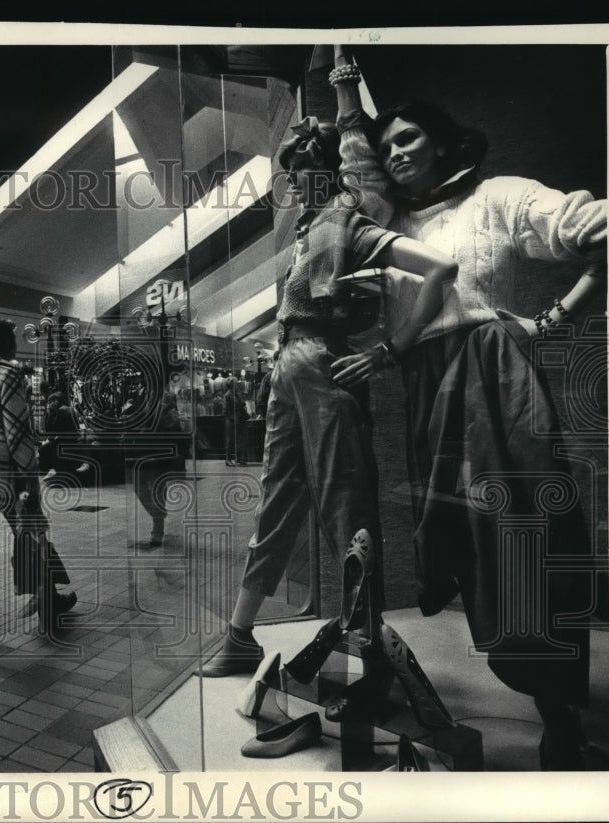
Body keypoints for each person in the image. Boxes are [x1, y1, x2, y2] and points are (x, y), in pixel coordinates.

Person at [330, 46, 606, 767]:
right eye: (386, 146)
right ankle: (527, 689)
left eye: (408, 139)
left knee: (526, 540)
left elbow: (592, 226)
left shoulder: (500, 196)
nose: (394, 154)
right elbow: (352, 164)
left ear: (447, 141)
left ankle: (560, 714)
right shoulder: (398, 230)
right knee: (466, 548)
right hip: (427, 395)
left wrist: (550, 320)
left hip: (496, 384)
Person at [199, 117, 458, 708]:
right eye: (295, 173)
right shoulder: (306, 231)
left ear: (332, 171)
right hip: (288, 369)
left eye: (312, 169)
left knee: (348, 507)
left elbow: (441, 268)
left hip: (323, 366)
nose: (303, 182)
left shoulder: (349, 224)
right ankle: (240, 635)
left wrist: (391, 351)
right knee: (275, 499)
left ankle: (373, 658)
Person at [0, 319, 77, 639]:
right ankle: (49, 603)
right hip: (6, 474)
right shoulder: (9, 373)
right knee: (31, 536)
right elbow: (18, 432)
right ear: (8, 344)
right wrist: (30, 477)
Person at [130, 390, 189, 548]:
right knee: (139, 488)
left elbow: (175, 429)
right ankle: (159, 515)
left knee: (158, 491)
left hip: (161, 456)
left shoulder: (167, 399)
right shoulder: (141, 395)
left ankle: (157, 530)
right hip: (143, 454)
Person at [222, 377, 249, 466]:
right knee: (230, 439)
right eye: (236, 383)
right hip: (232, 419)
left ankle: (239, 458)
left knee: (240, 439)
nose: (237, 384)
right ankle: (228, 458)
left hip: (240, 418)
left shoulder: (237, 393)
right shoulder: (227, 395)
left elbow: (243, 403)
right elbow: (225, 410)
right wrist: (232, 418)